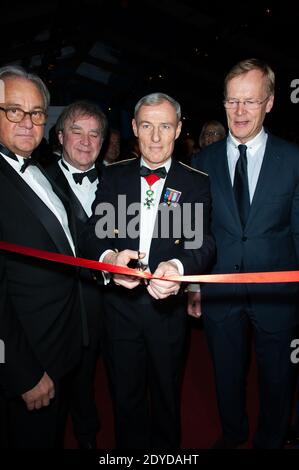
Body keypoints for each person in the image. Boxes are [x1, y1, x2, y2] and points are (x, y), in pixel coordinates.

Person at [81, 92, 215, 449]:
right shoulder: (113, 176)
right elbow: (93, 230)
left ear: (179, 130)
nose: (156, 137)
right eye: (147, 126)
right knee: (125, 398)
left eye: (165, 126)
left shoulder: (195, 181)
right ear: (135, 129)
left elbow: (203, 242)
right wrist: (109, 258)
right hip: (119, 310)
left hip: (167, 313)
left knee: (168, 396)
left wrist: (178, 265)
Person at [189, 58, 299, 449]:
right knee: (226, 375)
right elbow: (196, 232)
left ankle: (271, 439)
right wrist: (194, 287)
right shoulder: (202, 162)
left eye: (250, 102)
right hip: (221, 291)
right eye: (232, 101)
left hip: (278, 294)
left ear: (269, 103)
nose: (239, 112)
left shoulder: (294, 160)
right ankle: (233, 435)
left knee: (278, 377)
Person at [0, 65, 84, 448]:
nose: (27, 122)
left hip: (61, 344)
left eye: (36, 113)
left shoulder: (43, 170)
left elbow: (68, 241)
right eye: (13, 110)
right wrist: (22, 373)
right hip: (28, 363)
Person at [47, 100, 107, 449]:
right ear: (60, 136)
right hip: (66, 306)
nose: (86, 142)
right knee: (72, 383)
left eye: (94, 134)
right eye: (77, 132)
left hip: (116, 305)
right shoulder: (39, 180)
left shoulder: (117, 179)